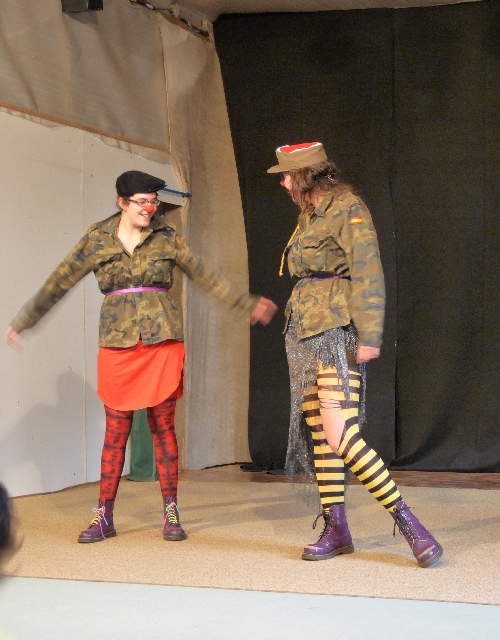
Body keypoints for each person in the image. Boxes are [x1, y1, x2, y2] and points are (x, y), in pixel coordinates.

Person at [6, 170, 277, 544]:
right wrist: (25, 320)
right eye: (142, 202)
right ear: (122, 202)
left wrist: (243, 303)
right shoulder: (97, 239)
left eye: (153, 201)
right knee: (115, 433)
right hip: (117, 343)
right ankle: (104, 516)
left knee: (162, 427)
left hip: (161, 340)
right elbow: (59, 281)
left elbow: (204, 275)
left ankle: (171, 512)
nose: (150, 208)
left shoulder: (167, 236)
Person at [268, 143, 442, 567]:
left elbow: (368, 272)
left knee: (339, 433)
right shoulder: (309, 215)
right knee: (321, 433)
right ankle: (337, 528)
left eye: (286, 175)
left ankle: (410, 523)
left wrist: (370, 333)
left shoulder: (348, 208)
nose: (283, 183)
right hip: (304, 328)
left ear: (304, 175)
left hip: (336, 327)